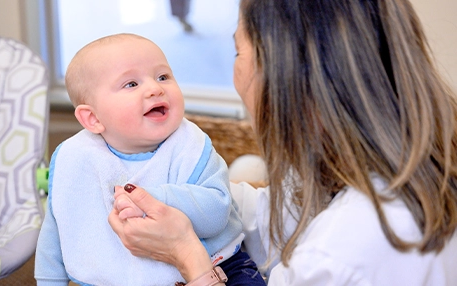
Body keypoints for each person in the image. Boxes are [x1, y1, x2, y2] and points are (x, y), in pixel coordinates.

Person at [109, 0, 457, 285]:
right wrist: (199, 188)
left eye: (237, 53)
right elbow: (275, 216)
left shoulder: (344, 253)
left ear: (283, 79)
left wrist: (186, 254)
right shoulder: (397, 167)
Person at [34, 33, 265, 285]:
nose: (155, 88)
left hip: (217, 266)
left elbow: (216, 212)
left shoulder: (191, 146)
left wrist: (152, 199)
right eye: (131, 84)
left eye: (163, 77)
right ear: (93, 119)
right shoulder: (76, 157)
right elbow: (56, 230)